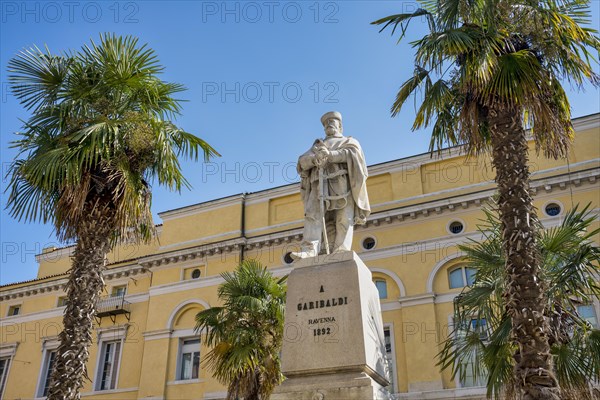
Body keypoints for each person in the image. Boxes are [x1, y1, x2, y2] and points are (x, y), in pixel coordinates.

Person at [291, 111, 370, 259]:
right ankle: (310, 248)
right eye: (326, 123)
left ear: (340, 126)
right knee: (313, 216)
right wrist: (315, 159)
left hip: (341, 184)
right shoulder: (318, 145)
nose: (329, 125)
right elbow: (301, 162)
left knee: (343, 218)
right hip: (318, 186)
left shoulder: (349, 142)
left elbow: (354, 156)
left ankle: (341, 249)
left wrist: (331, 156)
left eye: (332, 122)